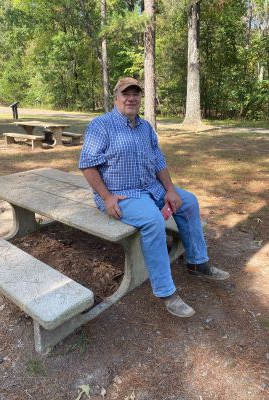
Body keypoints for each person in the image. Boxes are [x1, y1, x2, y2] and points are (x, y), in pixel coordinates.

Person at [79, 77, 229, 318]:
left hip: (151, 188)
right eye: (126, 93)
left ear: (140, 98)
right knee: (153, 220)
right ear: (116, 98)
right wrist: (106, 198)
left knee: (188, 201)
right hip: (120, 195)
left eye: (135, 93)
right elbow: (88, 166)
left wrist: (170, 189)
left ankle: (197, 262)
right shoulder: (101, 126)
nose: (131, 98)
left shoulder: (145, 127)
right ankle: (165, 291)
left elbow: (158, 161)